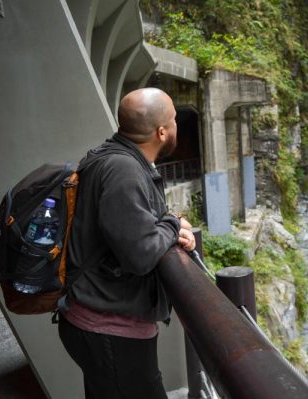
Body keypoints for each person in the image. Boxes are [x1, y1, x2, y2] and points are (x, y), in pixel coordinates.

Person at [58, 88, 195, 399]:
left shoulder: (111, 156)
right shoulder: (123, 171)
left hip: (96, 321)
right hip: (109, 330)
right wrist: (173, 224)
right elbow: (141, 254)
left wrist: (165, 223)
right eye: (174, 119)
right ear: (162, 132)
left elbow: (130, 228)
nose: (176, 125)